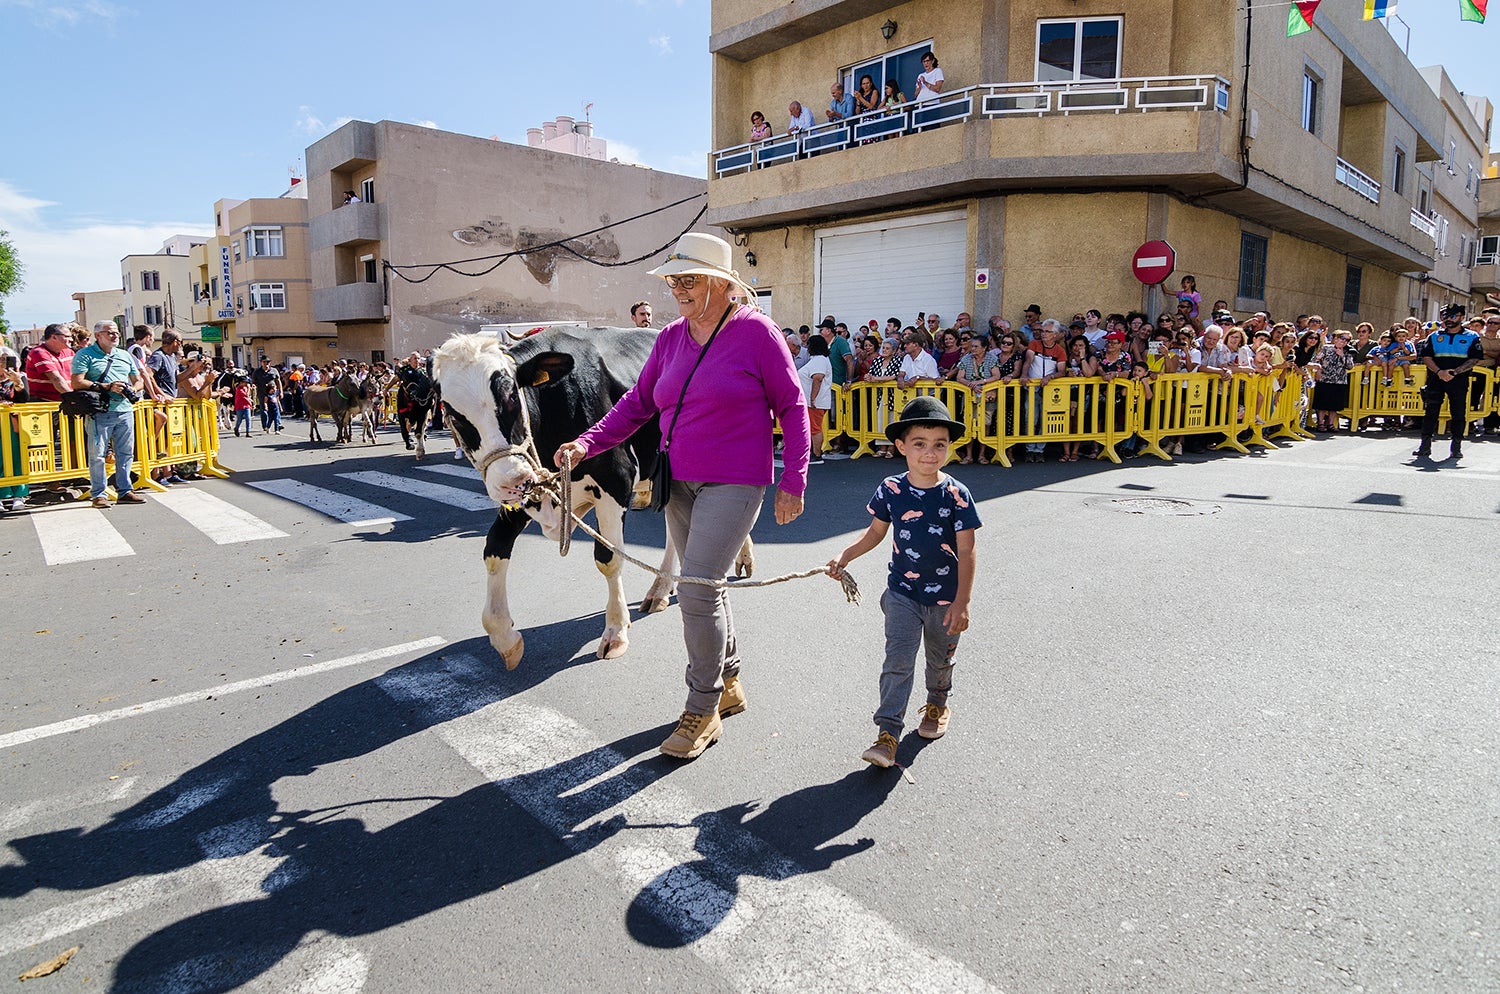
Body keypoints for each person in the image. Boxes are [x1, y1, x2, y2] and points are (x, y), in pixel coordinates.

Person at [553, 233, 809, 761]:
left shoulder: (757, 333)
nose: (677, 289)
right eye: (673, 280)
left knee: (694, 589)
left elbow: (792, 405)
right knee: (706, 586)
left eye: (688, 279)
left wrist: (794, 480)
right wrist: (585, 442)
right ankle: (730, 682)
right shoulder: (670, 337)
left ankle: (702, 706)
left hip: (735, 481)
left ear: (721, 283)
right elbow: (637, 403)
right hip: (678, 480)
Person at [826, 396, 981, 769]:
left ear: (948, 447)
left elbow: (968, 550)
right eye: (920, 444)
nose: (930, 453)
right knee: (897, 661)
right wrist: (846, 555)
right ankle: (888, 734)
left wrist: (962, 603)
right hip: (902, 594)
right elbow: (875, 532)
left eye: (939, 445)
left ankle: (937, 704)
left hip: (945, 598)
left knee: (939, 661)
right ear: (901, 446)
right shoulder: (891, 489)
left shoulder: (957, 494)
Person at [70, 321, 146, 508]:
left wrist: (132, 389)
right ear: (98, 335)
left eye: (116, 333)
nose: (114, 336)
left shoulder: (124, 355)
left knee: (126, 453)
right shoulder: (85, 354)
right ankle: (98, 494)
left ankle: (125, 491)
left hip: (125, 409)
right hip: (100, 411)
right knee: (97, 454)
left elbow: (139, 380)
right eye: (110, 333)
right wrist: (106, 387)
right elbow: (77, 382)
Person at [1413, 303, 1483, 461]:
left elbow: (1475, 358)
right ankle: (1424, 446)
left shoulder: (1472, 336)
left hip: (1458, 379)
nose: (1448, 319)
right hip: (1436, 378)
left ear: (1462, 317)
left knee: (1458, 413)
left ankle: (1456, 446)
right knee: (1431, 412)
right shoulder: (1434, 336)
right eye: (1445, 316)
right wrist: (1439, 372)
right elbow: (1426, 356)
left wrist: (1455, 372)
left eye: (1453, 316)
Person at [1311, 330, 1354, 432]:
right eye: (1342, 338)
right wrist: (1318, 370)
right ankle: (1320, 423)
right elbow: (1316, 360)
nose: (1343, 341)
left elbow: (1350, 366)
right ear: (1336, 338)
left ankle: (1331, 423)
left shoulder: (1348, 352)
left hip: (1339, 381)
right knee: (1322, 403)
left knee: (1334, 405)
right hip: (1325, 379)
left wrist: (1342, 355)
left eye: (1347, 340)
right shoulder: (1326, 348)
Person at [0, 360, 29, 511]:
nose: (6, 368)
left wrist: (17, 382)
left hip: (14, 425)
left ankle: (19, 495)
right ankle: (1, 495)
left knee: (17, 459)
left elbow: (24, 399)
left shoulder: (18, 379)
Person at [800, 334, 833, 465]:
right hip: (814, 400)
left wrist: (812, 398)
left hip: (815, 401)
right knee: (813, 427)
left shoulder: (819, 360)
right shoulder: (819, 359)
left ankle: (817, 454)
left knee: (814, 428)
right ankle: (814, 452)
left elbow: (817, 378)